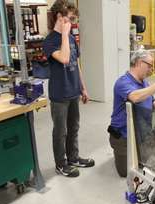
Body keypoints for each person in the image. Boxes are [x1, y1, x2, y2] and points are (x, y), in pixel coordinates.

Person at [43, 0, 95, 178]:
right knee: (60, 131)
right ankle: (61, 164)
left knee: (73, 128)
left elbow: (75, 63)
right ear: (59, 16)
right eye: (70, 18)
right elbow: (64, 58)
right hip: (59, 94)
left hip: (73, 91)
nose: (73, 23)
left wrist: (83, 88)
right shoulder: (50, 41)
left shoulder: (72, 38)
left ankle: (73, 158)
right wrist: (64, 34)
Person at [108, 49, 155, 178]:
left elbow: (152, 106)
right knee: (125, 172)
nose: (151, 69)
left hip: (141, 134)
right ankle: (121, 152)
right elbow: (135, 97)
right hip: (123, 137)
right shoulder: (123, 82)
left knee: (153, 160)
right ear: (138, 63)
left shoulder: (144, 83)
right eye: (149, 65)